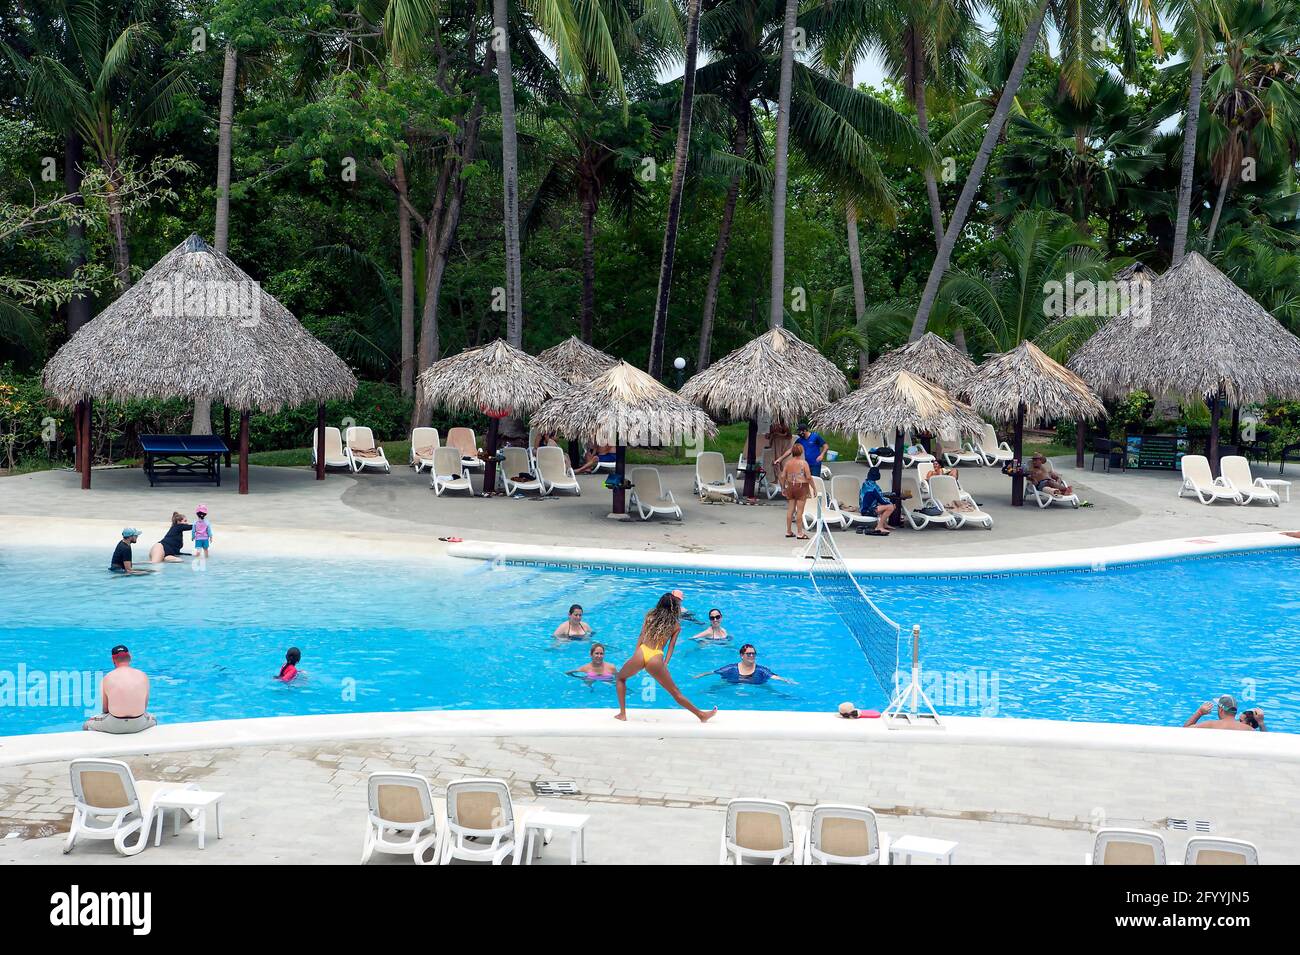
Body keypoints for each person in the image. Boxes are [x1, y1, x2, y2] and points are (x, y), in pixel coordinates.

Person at [614, 590, 717, 722]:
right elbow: (671, 647)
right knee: (675, 692)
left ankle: (622, 714)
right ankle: (700, 715)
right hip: (656, 657)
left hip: (642, 652)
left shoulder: (650, 615)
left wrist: (635, 655)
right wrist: (665, 663)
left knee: (620, 679)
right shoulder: (676, 625)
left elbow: (641, 635)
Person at [83, 645, 157, 734]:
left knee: (86, 724)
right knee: (154, 719)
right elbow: (144, 707)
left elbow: (105, 710)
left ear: (113, 660)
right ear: (130, 657)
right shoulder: (143, 676)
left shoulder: (107, 678)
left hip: (114, 725)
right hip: (139, 724)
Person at [694, 644, 796, 685]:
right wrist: (699, 676)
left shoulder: (760, 670)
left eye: (753, 653)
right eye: (748, 654)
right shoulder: (731, 668)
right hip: (733, 684)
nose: (751, 655)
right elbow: (714, 672)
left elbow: (774, 676)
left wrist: (787, 680)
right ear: (742, 655)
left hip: (757, 686)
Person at [779, 444, 813, 540]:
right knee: (800, 511)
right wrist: (813, 488)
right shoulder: (803, 463)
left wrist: (783, 488)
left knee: (790, 510)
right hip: (801, 486)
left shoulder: (788, 463)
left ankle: (788, 531)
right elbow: (809, 477)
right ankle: (800, 532)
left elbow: (782, 476)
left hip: (790, 486)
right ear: (801, 452)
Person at [856, 467, 897, 536]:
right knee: (890, 507)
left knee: (882, 505)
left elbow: (877, 496)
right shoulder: (873, 487)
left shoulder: (866, 483)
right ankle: (879, 527)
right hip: (867, 511)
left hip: (863, 508)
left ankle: (884, 524)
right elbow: (882, 500)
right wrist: (892, 504)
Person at [1183, 694, 1254, 730]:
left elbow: (1184, 731)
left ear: (1221, 710)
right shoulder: (1248, 729)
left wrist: (1199, 712)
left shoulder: (1209, 725)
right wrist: (1261, 722)